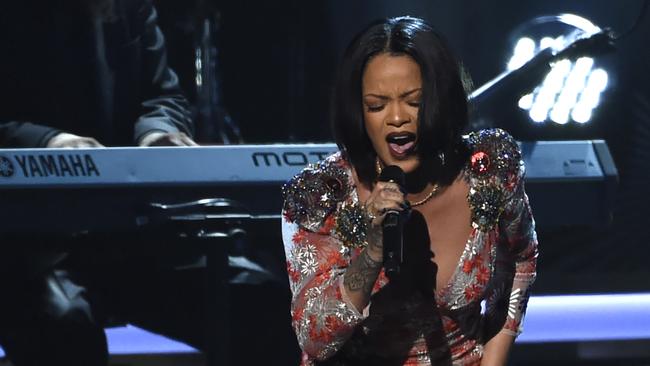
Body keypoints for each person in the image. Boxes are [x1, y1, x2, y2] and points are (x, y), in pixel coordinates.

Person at [281, 17, 538, 365]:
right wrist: (372, 251)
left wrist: (493, 360)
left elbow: (521, 260)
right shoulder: (321, 196)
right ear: (358, 112)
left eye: (413, 101)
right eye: (377, 105)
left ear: (441, 100)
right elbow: (315, 340)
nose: (397, 118)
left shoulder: (487, 169)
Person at [0, 1, 199, 365]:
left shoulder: (129, 8)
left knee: (257, 299)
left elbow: (161, 94)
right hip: (30, 241)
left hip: (133, 233)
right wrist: (47, 142)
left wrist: (158, 132)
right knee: (64, 326)